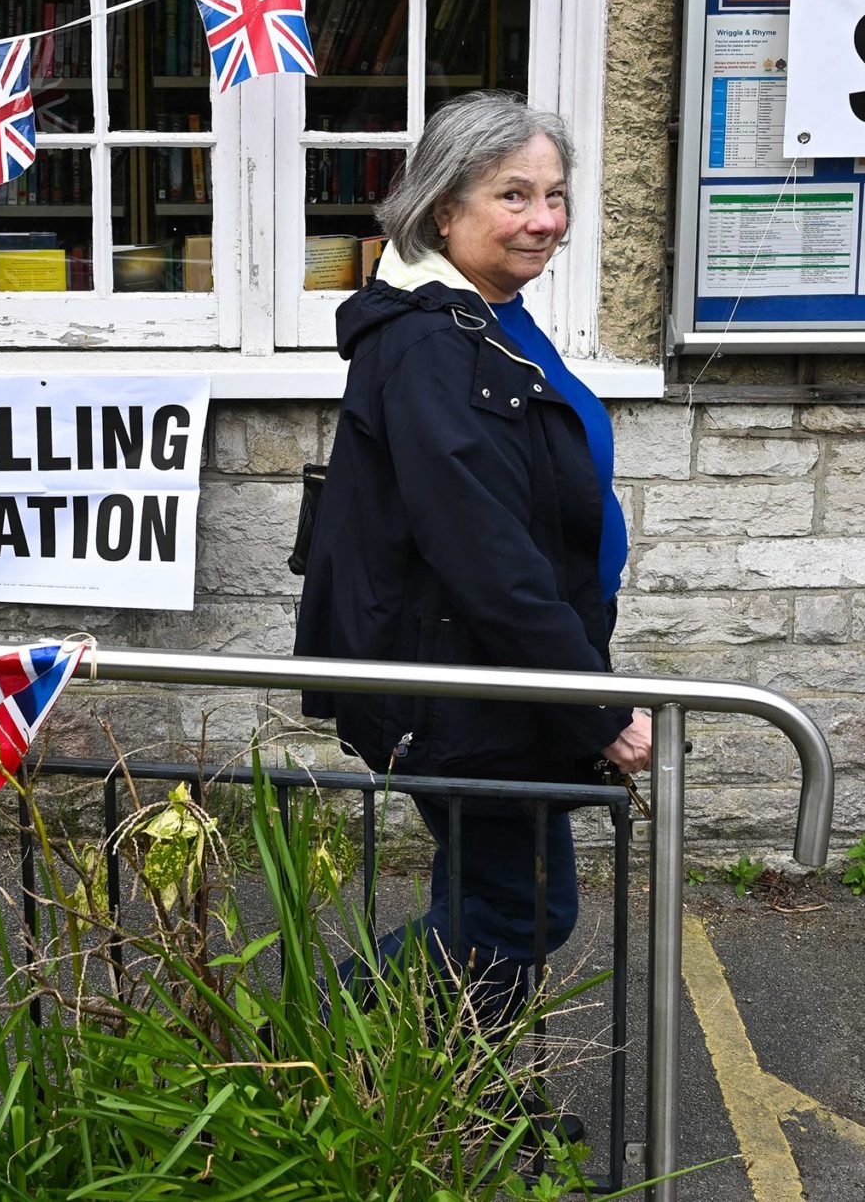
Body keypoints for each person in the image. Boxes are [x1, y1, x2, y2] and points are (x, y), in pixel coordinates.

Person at [294, 90, 651, 1032]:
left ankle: (436, 1104)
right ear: (443, 209)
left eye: (556, 195)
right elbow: (483, 547)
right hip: (463, 683)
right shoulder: (431, 345)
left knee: (491, 902)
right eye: (514, 195)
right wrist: (595, 703)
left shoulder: (489, 317)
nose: (544, 220)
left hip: (496, 676)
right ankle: (313, 1052)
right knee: (515, 909)